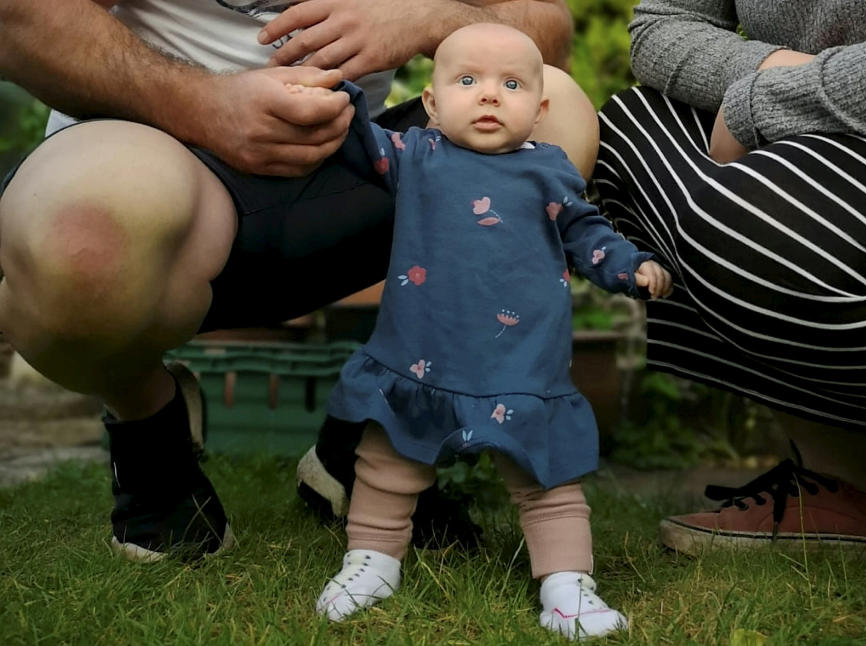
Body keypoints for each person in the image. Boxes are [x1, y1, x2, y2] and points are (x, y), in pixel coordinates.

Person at [0, 0, 600, 561]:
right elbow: (20, 17)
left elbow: (542, 28)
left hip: (355, 164)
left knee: (558, 120)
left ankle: (369, 435)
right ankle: (147, 428)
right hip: (148, 161)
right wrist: (200, 104)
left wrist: (425, 18)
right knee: (79, 249)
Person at [297, 23, 671, 639]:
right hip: (421, 356)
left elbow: (588, 237)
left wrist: (632, 268)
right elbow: (359, 142)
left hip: (520, 365)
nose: (490, 95)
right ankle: (371, 561)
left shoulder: (548, 172)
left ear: (540, 109)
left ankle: (568, 584)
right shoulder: (416, 154)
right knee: (387, 466)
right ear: (435, 105)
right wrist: (337, 92)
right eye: (468, 81)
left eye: (512, 83)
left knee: (547, 482)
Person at [593, 0, 866, 555]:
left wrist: (772, 99)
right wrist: (781, 68)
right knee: (634, 127)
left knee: (742, 217)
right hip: (833, 144)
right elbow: (663, 24)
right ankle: (848, 487)